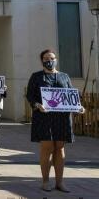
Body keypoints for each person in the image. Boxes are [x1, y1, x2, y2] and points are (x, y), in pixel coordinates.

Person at [26, 49, 85, 193]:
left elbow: (72, 95)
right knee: (47, 148)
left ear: (56, 59)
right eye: (46, 58)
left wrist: (78, 107)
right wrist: (37, 105)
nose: (49, 60)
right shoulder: (36, 77)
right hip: (44, 117)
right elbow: (30, 96)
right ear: (42, 61)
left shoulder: (64, 77)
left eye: (52, 58)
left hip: (62, 118)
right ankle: (45, 181)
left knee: (60, 148)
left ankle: (60, 182)